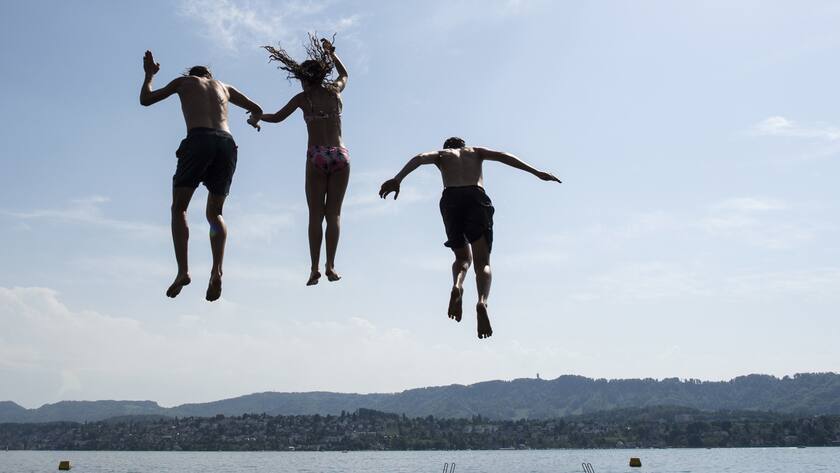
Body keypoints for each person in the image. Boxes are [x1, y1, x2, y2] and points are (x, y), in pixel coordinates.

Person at [379, 138, 561, 339]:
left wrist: (398, 178)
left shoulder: (441, 155)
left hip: (451, 199)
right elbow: (503, 156)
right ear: (463, 146)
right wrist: (537, 172)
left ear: (447, 147)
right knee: (483, 263)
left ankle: (457, 285)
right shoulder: (476, 151)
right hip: (476, 196)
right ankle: (482, 302)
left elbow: (420, 158)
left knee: (462, 258)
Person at [139, 50, 263, 301]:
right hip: (226, 143)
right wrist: (253, 120)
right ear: (210, 76)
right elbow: (257, 109)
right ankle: (217, 270)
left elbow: (146, 99)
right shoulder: (225, 87)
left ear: (192, 75)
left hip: (199, 140)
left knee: (179, 208)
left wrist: (149, 75)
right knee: (215, 213)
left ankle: (183, 271)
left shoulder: (183, 82)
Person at [250, 35, 349, 286]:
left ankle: (314, 268)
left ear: (304, 78)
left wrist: (258, 117)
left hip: (316, 155)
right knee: (334, 215)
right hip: (340, 155)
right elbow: (344, 74)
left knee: (315, 215)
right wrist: (331, 53)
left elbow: (277, 117)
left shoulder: (303, 99)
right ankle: (331, 266)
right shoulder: (334, 91)